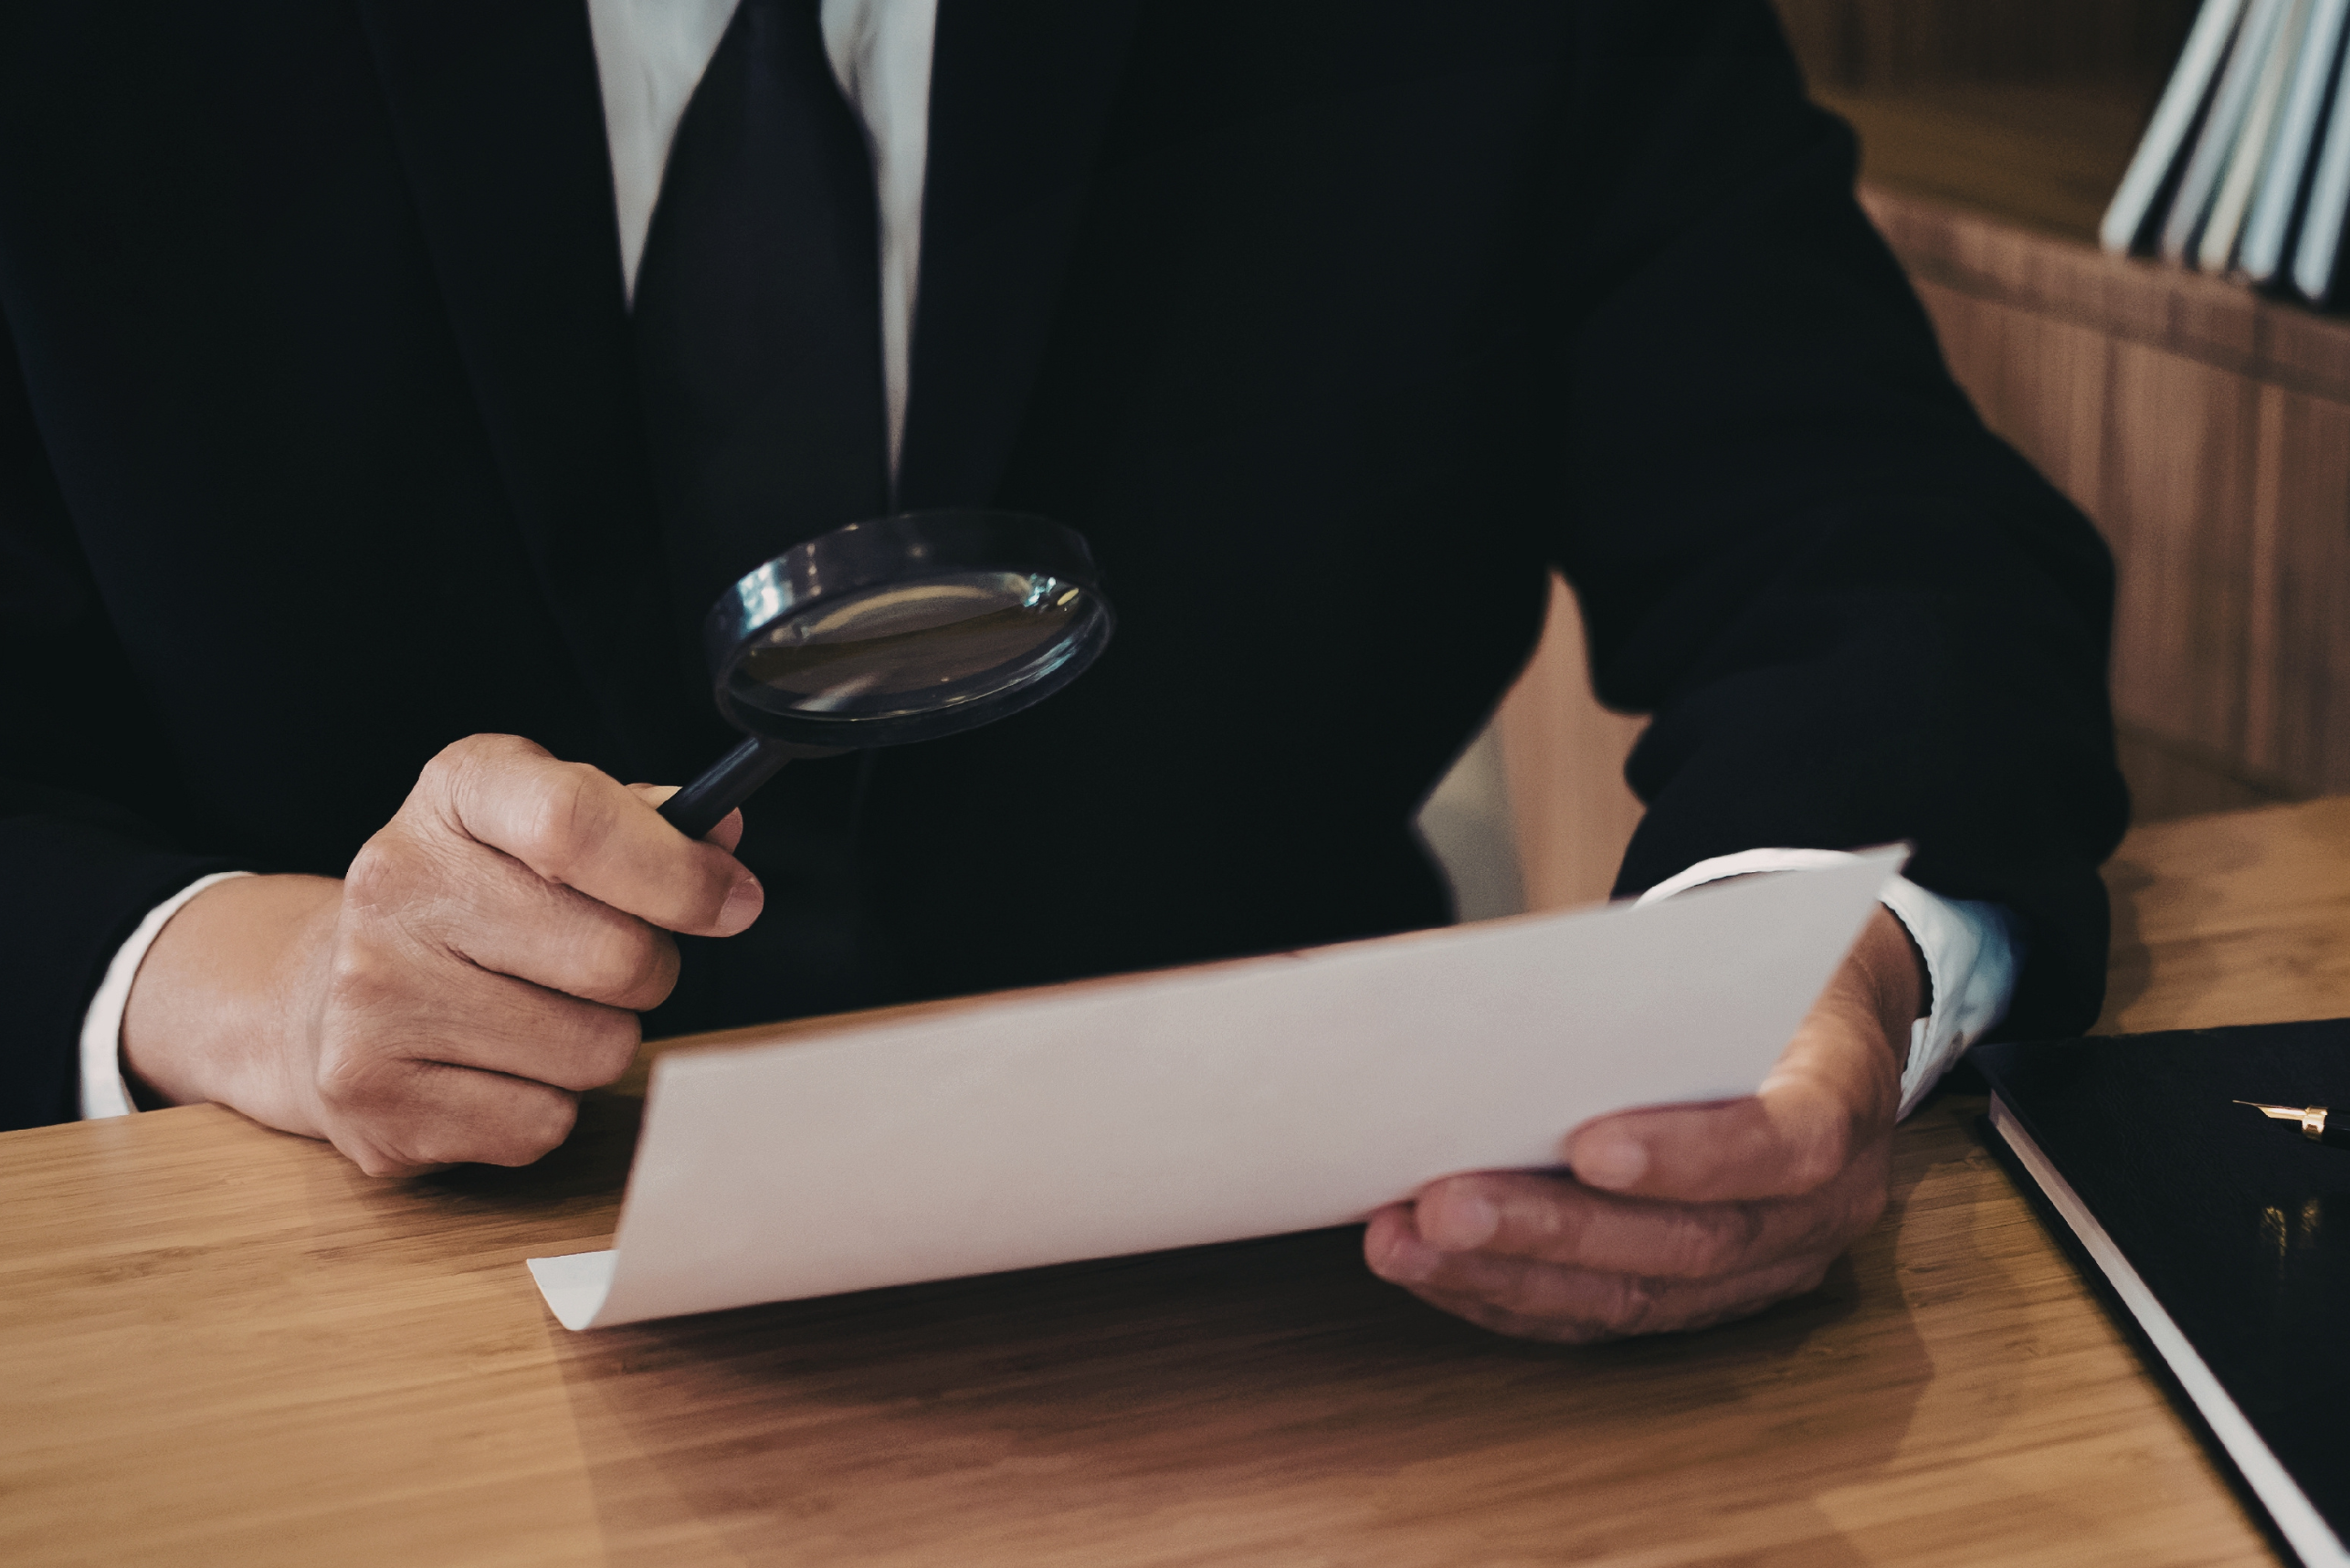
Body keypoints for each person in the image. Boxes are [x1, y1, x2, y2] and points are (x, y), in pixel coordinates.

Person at [0, 0, 2125, 1343]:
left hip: (1299, 1320)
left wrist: (1781, 988)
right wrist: (248, 978)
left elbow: (1877, 538)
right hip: (315, 1333)